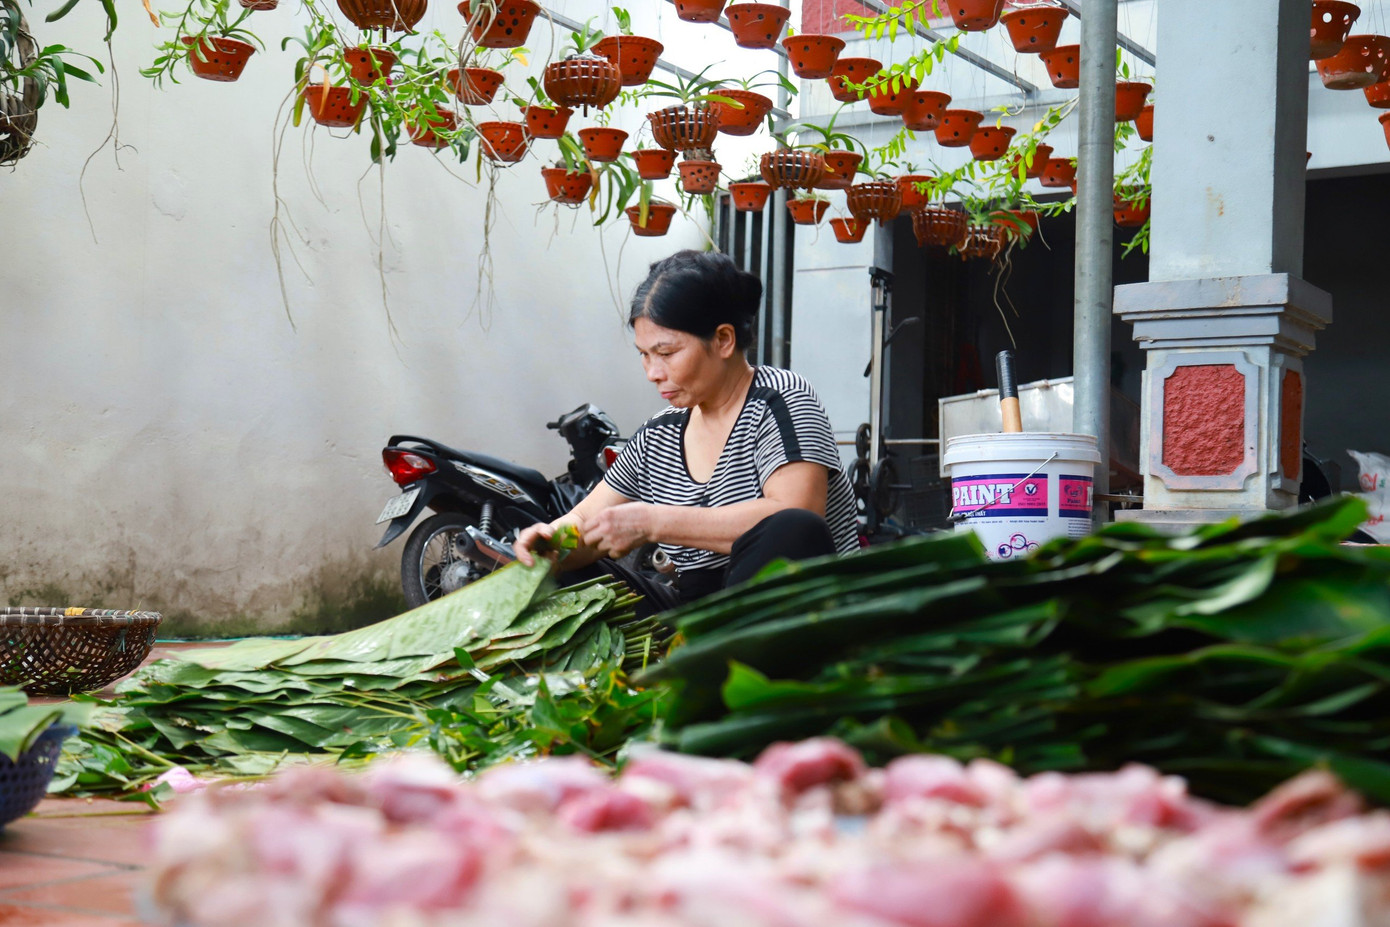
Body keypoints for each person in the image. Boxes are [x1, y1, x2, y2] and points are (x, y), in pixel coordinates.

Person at [515, 249, 859, 604]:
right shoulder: (658, 434)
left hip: (788, 606)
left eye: (666, 353)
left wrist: (653, 522)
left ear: (723, 340)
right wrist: (549, 541)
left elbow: (797, 515)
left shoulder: (782, 401)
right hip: (694, 613)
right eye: (644, 355)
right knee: (563, 572)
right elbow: (587, 521)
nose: (653, 373)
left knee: (791, 527)